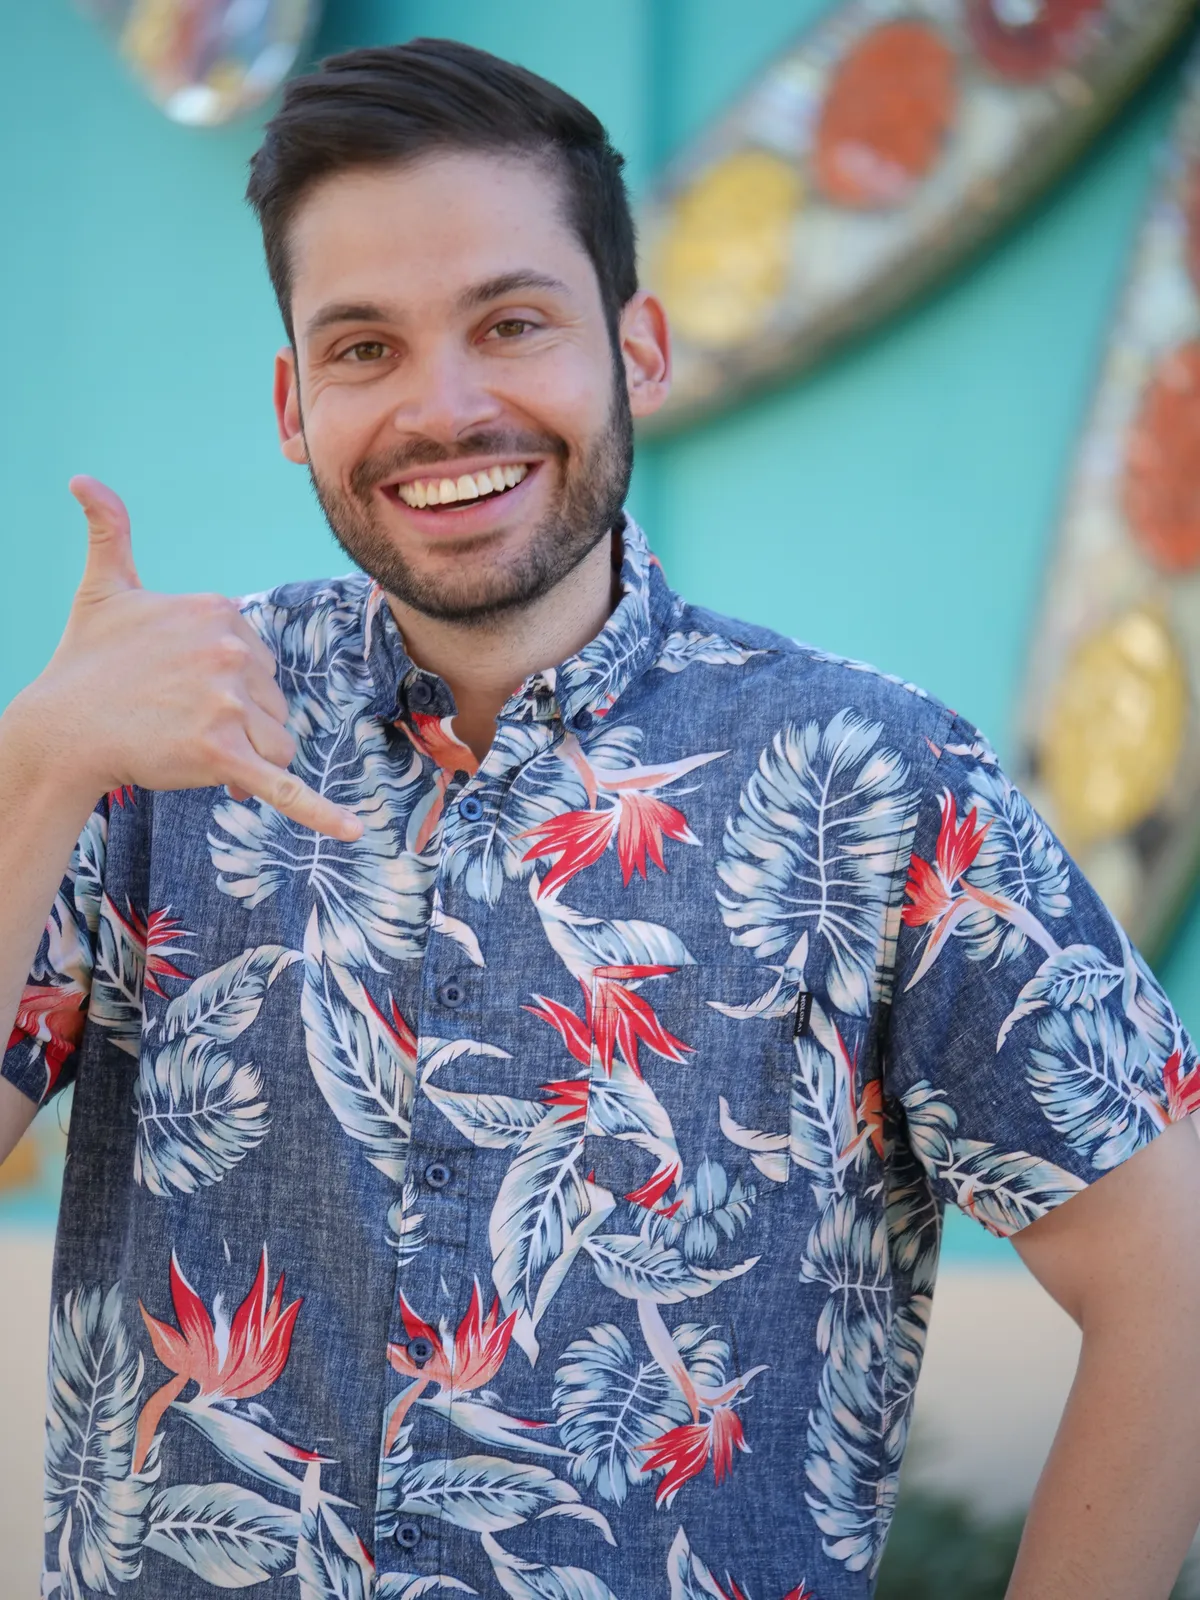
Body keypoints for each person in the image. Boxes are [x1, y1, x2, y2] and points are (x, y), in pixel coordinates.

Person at [2, 37, 1199, 1600]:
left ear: (638, 347)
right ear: (296, 402)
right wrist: (33, 771)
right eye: (365, 348)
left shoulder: (877, 783)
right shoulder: (154, 741)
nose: (444, 407)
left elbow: (1170, 1278)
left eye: (512, 323)